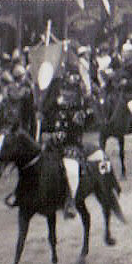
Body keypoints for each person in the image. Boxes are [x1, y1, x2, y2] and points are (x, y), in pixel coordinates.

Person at [41, 64, 88, 219]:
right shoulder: (55, 107)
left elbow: (75, 131)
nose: (66, 93)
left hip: (71, 145)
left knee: (71, 168)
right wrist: (45, 133)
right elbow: (47, 122)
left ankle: (71, 201)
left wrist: (56, 136)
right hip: (53, 145)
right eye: (64, 90)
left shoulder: (78, 111)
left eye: (70, 90)